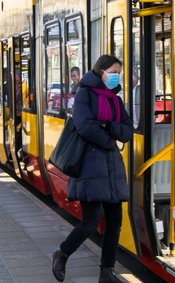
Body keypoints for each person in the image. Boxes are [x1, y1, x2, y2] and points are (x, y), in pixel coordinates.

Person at [52, 55, 133, 283]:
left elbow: (128, 130)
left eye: (119, 72)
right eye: (113, 71)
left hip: (111, 168)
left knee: (114, 224)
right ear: (101, 71)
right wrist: (110, 141)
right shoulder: (84, 94)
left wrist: (107, 125)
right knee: (90, 221)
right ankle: (62, 253)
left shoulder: (115, 99)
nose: (116, 75)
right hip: (90, 166)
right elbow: (85, 126)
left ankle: (106, 272)